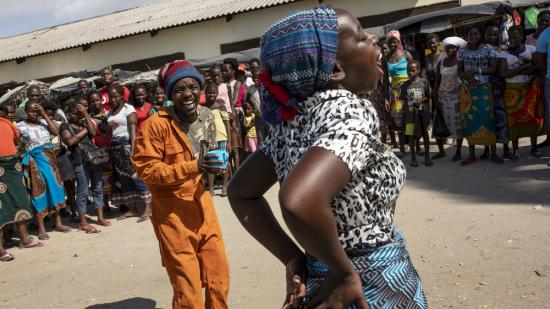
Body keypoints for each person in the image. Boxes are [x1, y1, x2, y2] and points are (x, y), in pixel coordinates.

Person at [228, 6, 426, 308]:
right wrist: (345, 273)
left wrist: (293, 257)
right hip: (371, 284)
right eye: (361, 36)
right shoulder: (351, 110)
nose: (374, 39)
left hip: (322, 282)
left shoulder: (290, 122)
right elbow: (299, 198)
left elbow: (241, 192)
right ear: (335, 69)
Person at [132, 60, 230, 309]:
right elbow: (147, 170)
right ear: (169, 95)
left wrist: (214, 165)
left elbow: (207, 155)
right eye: (179, 90)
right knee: (188, 289)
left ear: (200, 88)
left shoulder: (207, 116)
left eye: (192, 87)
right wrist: (194, 166)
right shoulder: (155, 125)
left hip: (202, 203)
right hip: (171, 212)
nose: (187, 94)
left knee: (219, 276)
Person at [17, 101, 71, 240]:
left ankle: (58, 223)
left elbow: (55, 132)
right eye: (31, 111)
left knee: (56, 189)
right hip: (34, 163)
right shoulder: (20, 126)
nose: (34, 114)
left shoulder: (44, 122)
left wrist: (44, 114)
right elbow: (16, 143)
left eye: (36, 111)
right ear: (26, 111)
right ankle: (41, 228)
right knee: (38, 192)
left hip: (50, 160)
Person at [60, 96, 110, 233]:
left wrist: (86, 114)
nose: (77, 114)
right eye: (74, 112)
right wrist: (84, 131)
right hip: (79, 161)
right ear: (68, 113)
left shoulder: (84, 122)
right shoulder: (65, 126)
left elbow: (93, 132)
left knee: (97, 188)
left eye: (78, 111)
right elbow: (70, 142)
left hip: (92, 159)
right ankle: (83, 222)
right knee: (82, 191)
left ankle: (100, 218)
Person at [0, 111, 43, 262]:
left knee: (20, 201)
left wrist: (15, 153)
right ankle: (0, 250)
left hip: (13, 166)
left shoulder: (7, 123)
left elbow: (17, 142)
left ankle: (24, 239)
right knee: (1, 207)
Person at [106, 83, 152, 222]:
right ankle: (132, 209)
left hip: (126, 145)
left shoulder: (128, 108)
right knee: (123, 179)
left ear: (121, 96)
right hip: (115, 148)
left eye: (116, 96)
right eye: (111, 97)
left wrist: (132, 149)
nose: (113, 99)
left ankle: (148, 208)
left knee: (135, 176)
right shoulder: (111, 111)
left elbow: (132, 130)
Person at [458, 26, 502, 166]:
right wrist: (469, 77)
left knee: (488, 119)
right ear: (467, 36)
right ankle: (471, 155)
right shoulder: (462, 50)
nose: (473, 37)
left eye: (476, 34)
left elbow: (493, 68)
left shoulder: (488, 48)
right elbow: (459, 71)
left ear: (480, 35)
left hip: (484, 89)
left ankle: (493, 153)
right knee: (470, 121)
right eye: (470, 34)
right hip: (468, 90)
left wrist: (476, 71)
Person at [499, 26, 544, 159]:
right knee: (514, 120)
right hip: (512, 90)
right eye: (510, 37)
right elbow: (503, 73)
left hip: (529, 88)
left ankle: (534, 148)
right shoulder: (503, 53)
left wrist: (517, 71)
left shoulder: (531, 49)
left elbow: (539, 67)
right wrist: (524, 66)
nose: (512, 39)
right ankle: (515, 150)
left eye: (515, 36)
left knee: (533, 118)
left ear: (521, 37)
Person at [433, 36, 466, 161]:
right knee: (439, 123)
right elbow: (437, 81)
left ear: (457, 49)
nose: (450, 50)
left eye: (453, 48)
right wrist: (435, 99)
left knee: (457, 125)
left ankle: (458, 152)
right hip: (442, 96)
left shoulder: (460, 62)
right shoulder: (441, 63)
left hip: (456, 96)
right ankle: (441, 151)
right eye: (448, 48)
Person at [383, 30, 414, 156]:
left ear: (399, 41)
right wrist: (386, 97)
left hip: (409, 89)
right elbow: (385, 79)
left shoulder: (407, 54)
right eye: (390, 42)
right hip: (395, 92)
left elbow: (415, 69)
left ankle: (414, 147)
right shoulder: (385, 59)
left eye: (394, 41)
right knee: (398, 119)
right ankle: (402, 148)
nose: (392, 44)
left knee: (411, 117)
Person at [485, 23, 512, 159]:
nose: (492, 37)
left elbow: (502, 70)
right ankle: (487, 149)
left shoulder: (503, 49)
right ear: (485, 35)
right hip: (485, 89)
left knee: (502, 118)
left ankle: (506, 148)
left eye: (495, 34)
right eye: (490, 34)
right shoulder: (482, 49)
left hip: (499, 87)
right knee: (486, 119)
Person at [401, 61, 433, 167]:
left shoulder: (424, 82)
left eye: (413, 70)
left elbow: (429, 95)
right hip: (410, 115)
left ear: (419, 70)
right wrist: (402, 113)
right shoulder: (405, 85)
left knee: (424, 134)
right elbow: (403, 101)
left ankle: (427, 157)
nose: (410, 72)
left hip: (422, 113)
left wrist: (422, 100)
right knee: (410, 135)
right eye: (408, 70)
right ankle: (413, 158)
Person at [204, 82, 231, 197]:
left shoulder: (221, 106)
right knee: (211, 163)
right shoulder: (202, 107)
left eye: (214, 92)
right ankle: (211, 189)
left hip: (221, 137)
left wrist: (229, 141)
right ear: (205, 93)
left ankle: (224, 186)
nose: (212, 95)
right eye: (209, 92)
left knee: (223, 163)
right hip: (209, 139)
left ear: (217, 93)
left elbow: (227, 123)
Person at [88, 90, 113, 214]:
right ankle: (105, 204)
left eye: (97, 100)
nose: (95, 103)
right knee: (102, 179)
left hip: (112, 148)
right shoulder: (89, 118)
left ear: (101, 100)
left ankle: (121, 202)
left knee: (115, 176)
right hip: (99, 151)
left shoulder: (110, 113)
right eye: (92, 101)